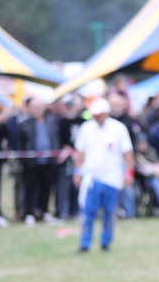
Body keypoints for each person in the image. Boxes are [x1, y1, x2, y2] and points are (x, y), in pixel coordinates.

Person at [73, 97, 134, 253]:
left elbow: (127, 152)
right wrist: (77, 172)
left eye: (99, 115)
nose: (97, 117)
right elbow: (80, 152)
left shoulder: (118, 128)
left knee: (110, 212)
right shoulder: (86, 128)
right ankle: (85, 243)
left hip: (112, 177)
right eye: (94, 115)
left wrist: (129, 173)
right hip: (91, 176)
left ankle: (106, 243)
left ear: (106, 113)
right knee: (88, 211)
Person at [16, 97, 61, 223]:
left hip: (48, 162)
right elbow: (19, 144)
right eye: (33, 108)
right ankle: (28, 213)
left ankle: (44, 211)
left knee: (46, 188)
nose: (35, 110)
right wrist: (24, 160)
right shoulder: (24, 123)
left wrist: (55, 156)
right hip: (31, 162)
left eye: (38, 108)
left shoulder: (52, 122)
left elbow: (56, 139)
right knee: (29, 189)